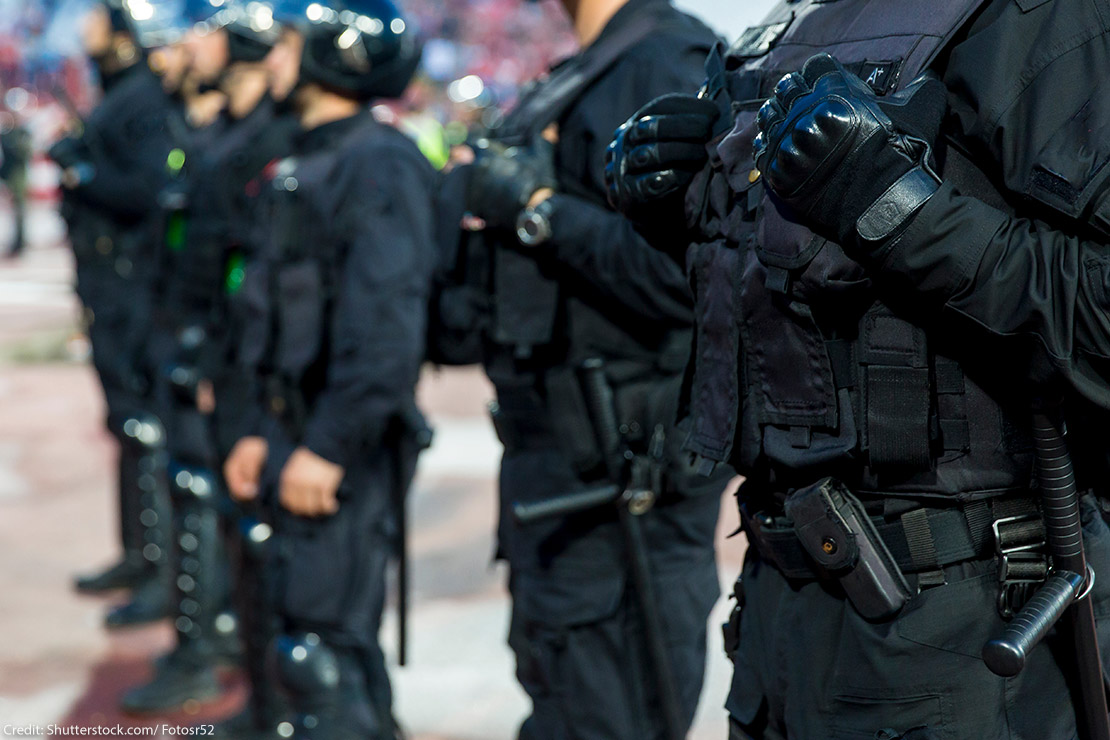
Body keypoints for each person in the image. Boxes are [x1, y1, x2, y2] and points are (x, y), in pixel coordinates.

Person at [606, 0, 1110, 737]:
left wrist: (898, 210)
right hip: (779, 610)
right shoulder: (785, 29)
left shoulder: (1034, 18)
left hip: (963, 626)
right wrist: (677, 219)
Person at [438, 0, 728, 737]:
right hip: (564, 465)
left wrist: (539, 209)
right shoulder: (592, 66)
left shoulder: (664, 62)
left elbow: (686, 277)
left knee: (609, 709)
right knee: (562, 692)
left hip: (625, 471)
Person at [221, 1, 434, 736]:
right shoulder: (303, 157)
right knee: (302, 625)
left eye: (286, 45)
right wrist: (259, 427)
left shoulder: (378, 160)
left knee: (325, 646)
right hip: (293, 426)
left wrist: (330, 445)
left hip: (343, 441)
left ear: (331, 54)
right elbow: (269, 314)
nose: (272, 60)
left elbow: (386, 329)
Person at [120, 0, 302, 714]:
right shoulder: (220, 128)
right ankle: (223, 654)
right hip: (190, 338)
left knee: (222, 507)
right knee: (203, 499)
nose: (191, 46)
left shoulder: (269, 139)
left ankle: (219, 660)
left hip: (230, 359)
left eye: (207, 33)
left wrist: (212, 354)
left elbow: (246, 268)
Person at [55, 0, 176, 629]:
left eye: (99, 21)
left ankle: (161, 569)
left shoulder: (143, 99)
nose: (85, 30)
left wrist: (84, 174)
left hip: (131, 284)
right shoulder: (121, 94)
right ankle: (139, 553)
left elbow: (147, 189)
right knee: (125, 423)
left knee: (143, 425)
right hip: (109, 282)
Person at [0, 114, 31, 258]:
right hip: (9, 177)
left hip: (19, 179)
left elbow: (25, 152)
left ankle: (19, 243)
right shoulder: (6, 135)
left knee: (20, 214)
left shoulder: (22, 134)